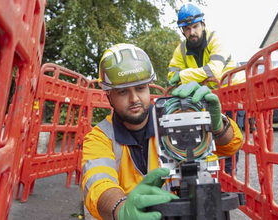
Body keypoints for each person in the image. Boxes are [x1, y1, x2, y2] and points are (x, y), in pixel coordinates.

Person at [81, 43, 243, 220]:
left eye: (140, 88)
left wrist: (217, 125)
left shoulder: (174, 116)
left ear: (149, 86)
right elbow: (98, 183)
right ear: (108, 96)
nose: (134, 98)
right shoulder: (99, 137)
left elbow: (229, 147)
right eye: (122, 92)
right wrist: (121, 209)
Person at [168, 3, 245, 174]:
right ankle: (211, 175)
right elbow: (171, 76)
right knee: (204, 138)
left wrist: (184, 75)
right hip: (206, 97)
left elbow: (214, 70)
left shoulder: (216, 40)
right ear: (182, 30)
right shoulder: (181, 49)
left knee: (228, 138)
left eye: (195, 26)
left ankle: (229, 176)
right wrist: (199, 76)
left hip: (233, 94)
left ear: (203, 24)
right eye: (187, 29)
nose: (192, 32)